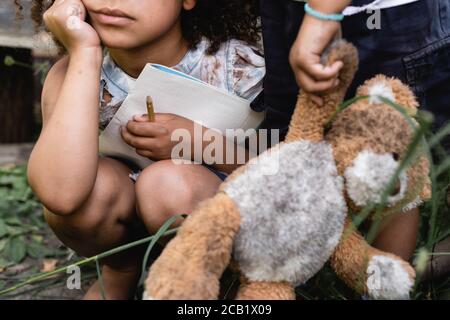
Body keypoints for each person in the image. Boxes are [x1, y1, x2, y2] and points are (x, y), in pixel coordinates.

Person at [25, 0, 264, 299]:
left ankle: (212, 283)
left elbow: (281, 178)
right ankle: (122, 268)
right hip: (128, 207)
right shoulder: (72, 73)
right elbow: (60, 193)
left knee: (166, 184)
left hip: (218, 215)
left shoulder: (240, 68)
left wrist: (202, 144)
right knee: (88, 198)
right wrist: (85, 54)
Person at [257, 0, 450, 262]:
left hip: (387, 17)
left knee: (387, 159)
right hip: (294, 12)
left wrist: (322, 14)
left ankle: (387, 282)